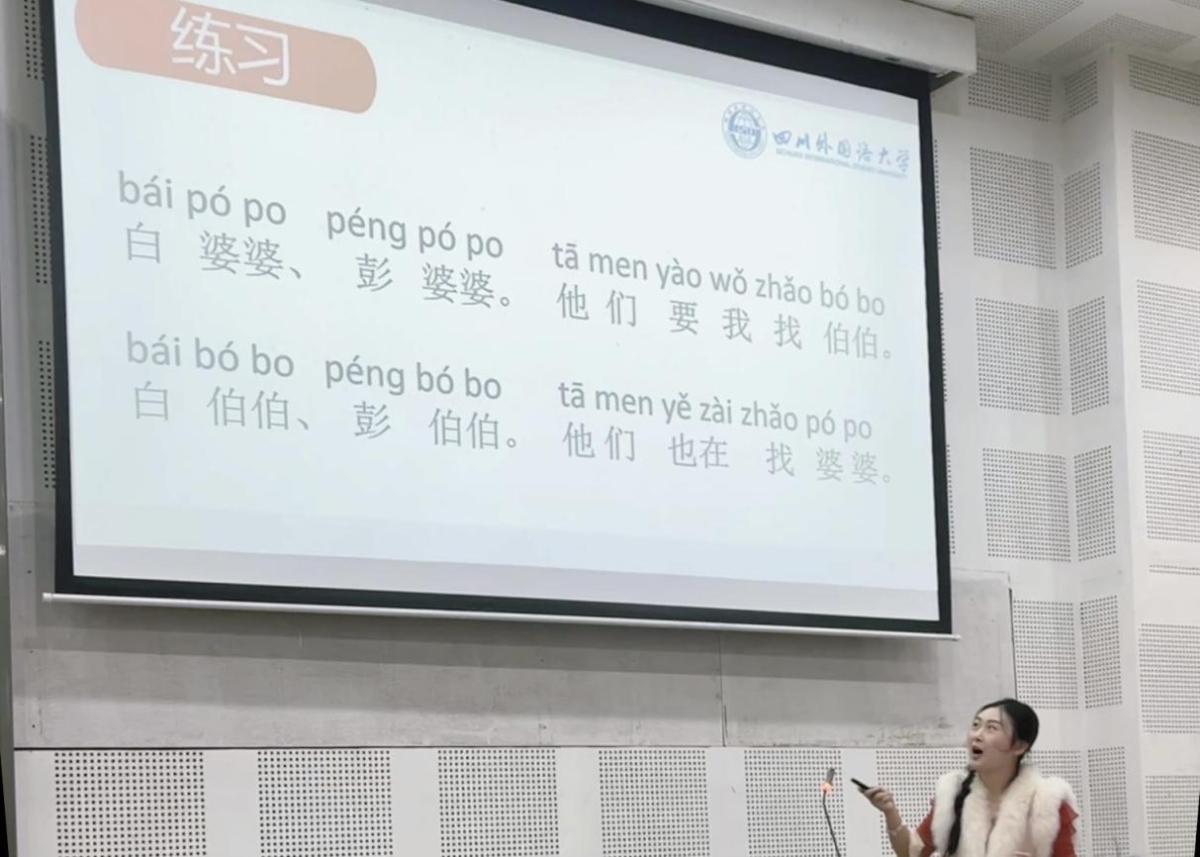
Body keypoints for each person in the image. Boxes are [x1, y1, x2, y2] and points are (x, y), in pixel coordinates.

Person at [862, 698, 1078, 857]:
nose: (977, 735)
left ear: (1019, 746)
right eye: (976, 725)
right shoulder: (953, 794)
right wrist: (890, 811)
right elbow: (912, 853)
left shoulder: (1047, 802)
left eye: (991, 728)